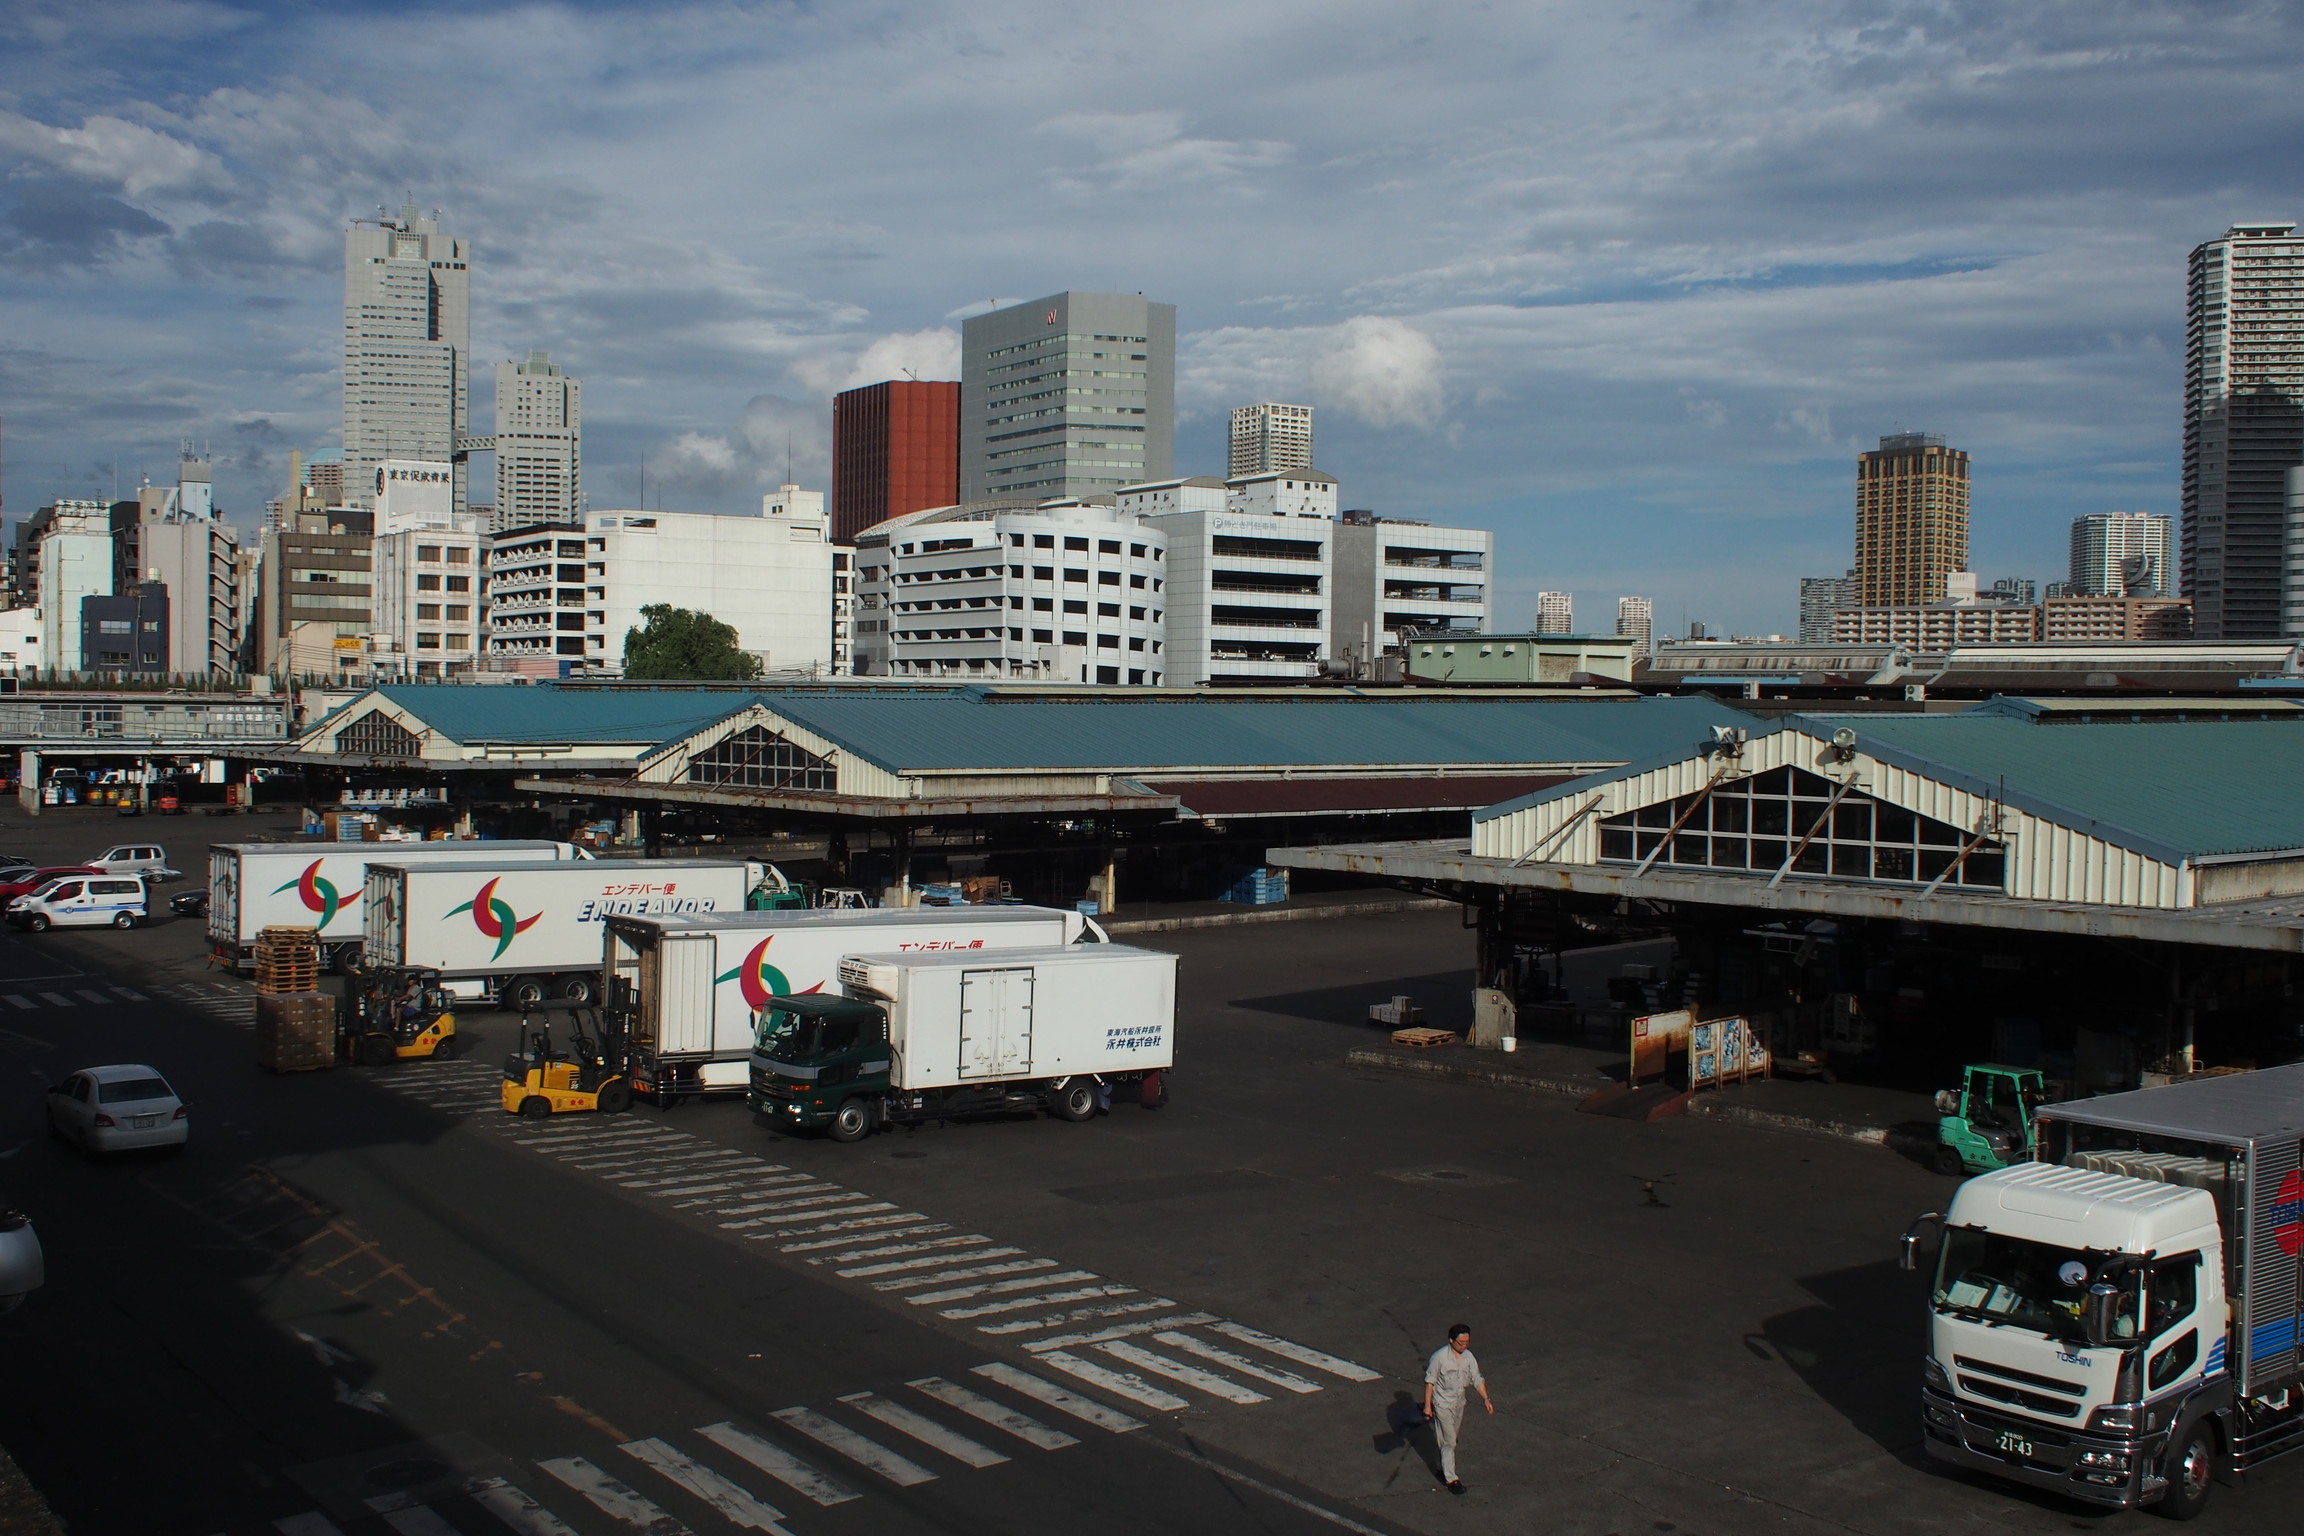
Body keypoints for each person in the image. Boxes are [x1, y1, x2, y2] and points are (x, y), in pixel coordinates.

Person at [1423, 1323, 1493, 1494]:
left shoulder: (1469, 1357)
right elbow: (1430, 1382)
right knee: (1449, 1441)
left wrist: (1486, 1398)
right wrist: (1427, 1406)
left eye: (1467, 1342)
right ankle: (1451, 1478)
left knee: (1451, 1438)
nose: (1464, 1346)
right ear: (1451, 1341)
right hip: (1442, 1404)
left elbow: (1477, 1378)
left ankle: (1441, 1464)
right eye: (1461, 1342)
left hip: (1459, 1403)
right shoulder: (1439, 1358)